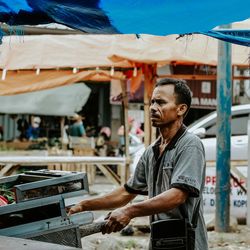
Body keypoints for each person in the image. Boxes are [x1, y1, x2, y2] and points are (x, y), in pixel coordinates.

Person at [68, 78, 208, 250]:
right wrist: (84, 205)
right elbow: (127, 192)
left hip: (187, 241)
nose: (153, 108)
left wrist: (129, 211)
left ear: (181, 109)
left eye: (161, 102)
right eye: (153, 102)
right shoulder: (151, 151)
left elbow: (177, 195)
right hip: (159, 240)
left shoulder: (190, 145)